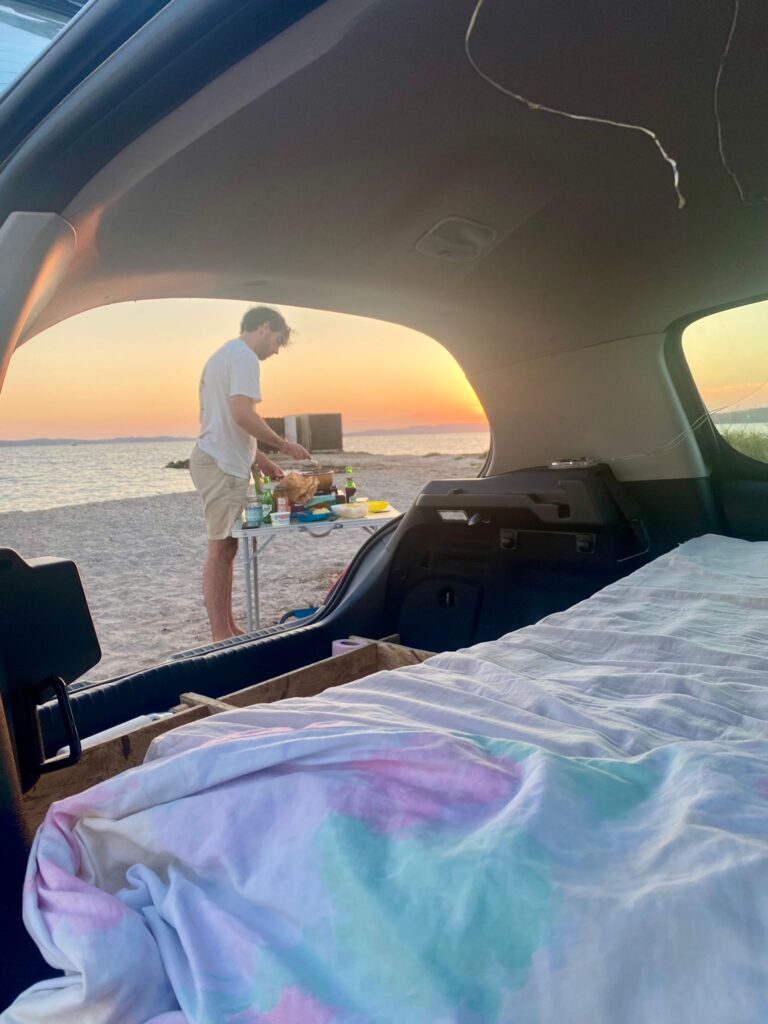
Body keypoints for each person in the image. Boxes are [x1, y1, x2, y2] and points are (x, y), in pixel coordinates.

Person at [190, 306, 311, 640]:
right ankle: (220, 634)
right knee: (220, 549)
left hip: (220, 460)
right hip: (220, 465)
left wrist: (262, 461)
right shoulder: (244, 357)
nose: (276, 351)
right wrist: (284, 445)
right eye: (278, 341)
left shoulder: (224, 355)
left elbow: (228, 423)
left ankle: (227, 628)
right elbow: (243, 415)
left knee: (227, 547)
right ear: (264, 327)